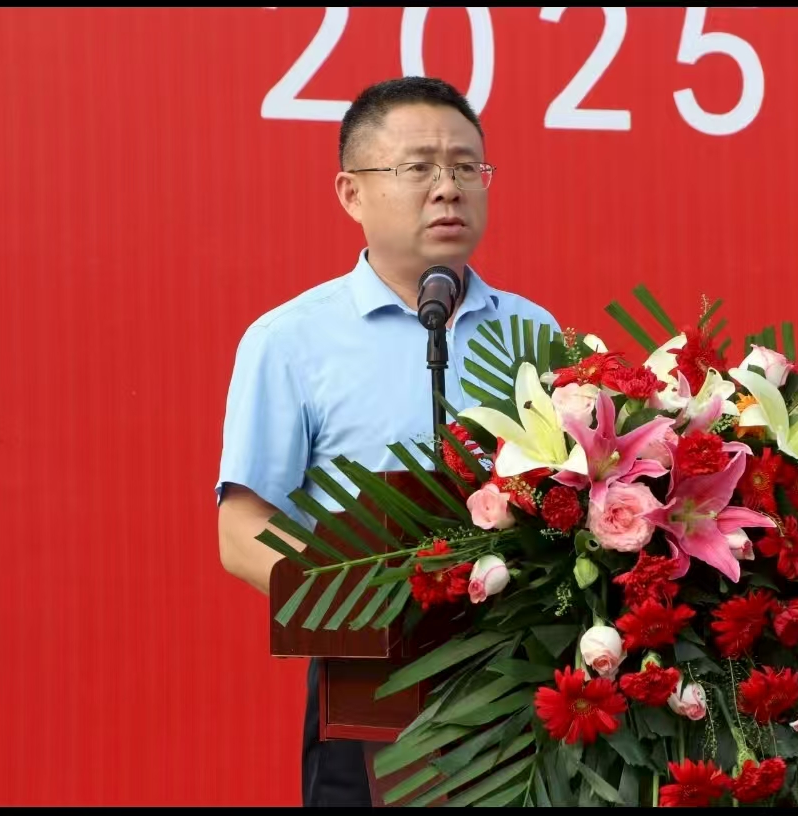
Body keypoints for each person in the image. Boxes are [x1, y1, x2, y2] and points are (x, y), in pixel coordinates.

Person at [215, 76, 559, 806]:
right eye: (417, 168)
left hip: (518, 688)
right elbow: (241, 529)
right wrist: (366, 598)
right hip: (373, 688)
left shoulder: (534, 332)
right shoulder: (291, 340)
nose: (448, 188)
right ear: (352, 193)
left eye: (466, 167)